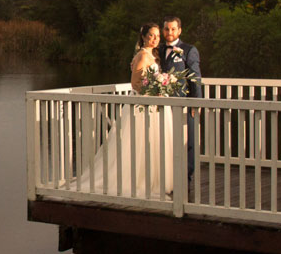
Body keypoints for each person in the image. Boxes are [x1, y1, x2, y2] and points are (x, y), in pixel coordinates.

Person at [69, 23, 173, 202]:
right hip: (143, 105)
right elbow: (135, 84)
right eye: (151, 36)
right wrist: (154, 92)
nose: (155, 39)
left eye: (157, 36)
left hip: (153, 105)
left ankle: (153, 180)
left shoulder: (153, 55)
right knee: (137, 143)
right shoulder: (142, 55)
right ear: (143, 37)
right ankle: (136, 180)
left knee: (152, 143)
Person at [157, 15, 202, 191]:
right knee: (166, 139)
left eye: (173, 29)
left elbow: (195, 78)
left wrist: (195, 103)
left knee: (187, 140)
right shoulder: (158, 50)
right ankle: (166, 174)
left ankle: (186, 176)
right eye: (167, 29)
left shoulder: (189, 50)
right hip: (162, 104)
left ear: (179, 30)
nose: (169, 32)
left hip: (183, 103)